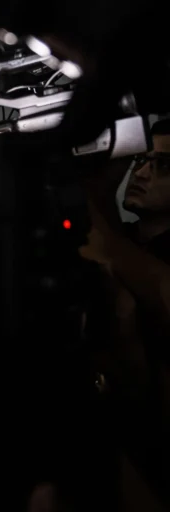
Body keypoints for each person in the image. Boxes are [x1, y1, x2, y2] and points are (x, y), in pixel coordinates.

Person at [81, 119, 170, 503]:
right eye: (141, 160)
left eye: (163, 165)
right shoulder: (130, 240)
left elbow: (104, 241)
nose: (143, 171)